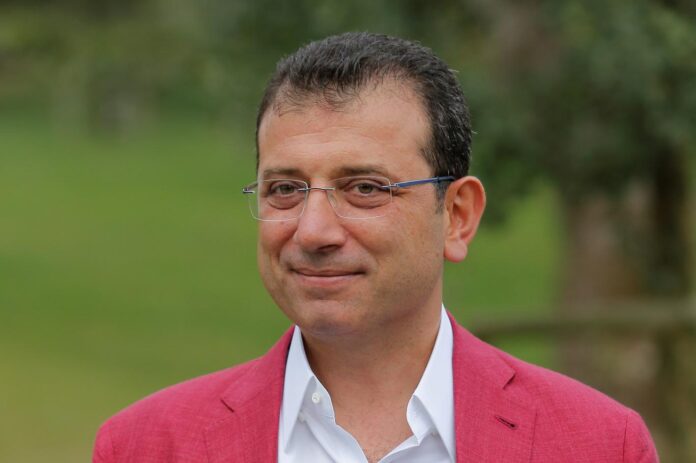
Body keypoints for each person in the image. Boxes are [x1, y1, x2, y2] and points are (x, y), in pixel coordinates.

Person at [93, 32, 658, 463]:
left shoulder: (600, 446)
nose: (313, 231)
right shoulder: (146, 447)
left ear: (457, 216)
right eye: (285, 189)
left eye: (364, 189)